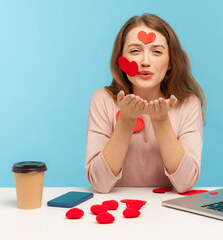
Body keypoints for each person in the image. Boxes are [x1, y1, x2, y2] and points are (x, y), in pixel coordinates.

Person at [85, 13, 206, 193]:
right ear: (121, 60)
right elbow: (99, 183)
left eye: (157, 52)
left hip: (168, 213)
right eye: (135, 51)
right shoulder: (102, 99)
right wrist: (126, 120)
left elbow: (185, 183)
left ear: (170, 62)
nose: (145, 62)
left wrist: (161, 121)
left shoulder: (187, 104)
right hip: (119, 211)